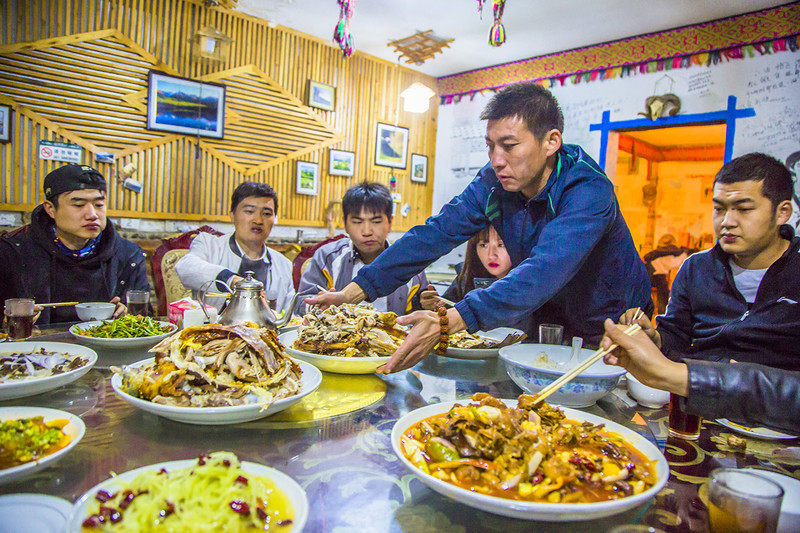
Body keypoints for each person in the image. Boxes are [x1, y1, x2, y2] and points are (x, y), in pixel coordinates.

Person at [307, 82, 652, 373]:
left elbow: (544, 270)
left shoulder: (588, 190)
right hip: (544, 318)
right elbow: (435, 233)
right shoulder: (494, 183)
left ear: (551, 142)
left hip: (609, 327)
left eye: (509, 145)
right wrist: (352, 292)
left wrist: (451, 320)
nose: (496, 160)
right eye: (490, 146)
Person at [621, 153, 800, 370]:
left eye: (743, 209)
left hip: (772, 402)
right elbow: (676, 337)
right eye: (719, 208)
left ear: (782, 213)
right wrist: (655, 338)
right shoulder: (697, 268)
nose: (727, 222)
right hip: (700, 395)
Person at [0, 164, 148, 324]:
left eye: (99, 205)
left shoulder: (129, 255)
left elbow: (145, 317)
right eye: (78, 205)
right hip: (38, 347)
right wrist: (6, 323)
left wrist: (128, 316)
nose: (92, 215)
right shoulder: (12, 252)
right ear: (50, 209)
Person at [601, 319, 800, 435]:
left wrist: (670, 373)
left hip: (780, 430)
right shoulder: (697, 267)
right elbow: (676, 335)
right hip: (693, 406)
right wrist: (657, 343)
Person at [295, 182, 426, 316]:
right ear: (345, 224)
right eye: (357, 222)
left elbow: (421, 317)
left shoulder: (409, 265)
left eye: (376, 222)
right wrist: (317, 306)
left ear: (390, 223)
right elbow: (300, 303)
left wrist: (426, 305)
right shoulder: (327, 257)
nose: (367, 231)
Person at [175, 181, 295, 313]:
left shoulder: (283, 264)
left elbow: (289, 314)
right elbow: (185, 267)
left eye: (266, 214)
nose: (258, 220)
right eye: (249, 211)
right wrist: (231, 280)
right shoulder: (209, 245)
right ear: (232, 215)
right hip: (212, 331)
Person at [419, 225, 512, 310]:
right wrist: (432, 304)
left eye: (501, 245)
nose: (491, 255)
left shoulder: (524, 283)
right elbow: (447, 306)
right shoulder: (467, 276)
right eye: (483, 245)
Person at [642, 239, 690, 315]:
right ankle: (649, 310)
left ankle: (662, 312)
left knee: (664, 291)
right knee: (646, 289)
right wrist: (647, 256)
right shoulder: (678, 251)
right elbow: (661, 251)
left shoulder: (684, 259)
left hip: (659, 271)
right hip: (652, 267)